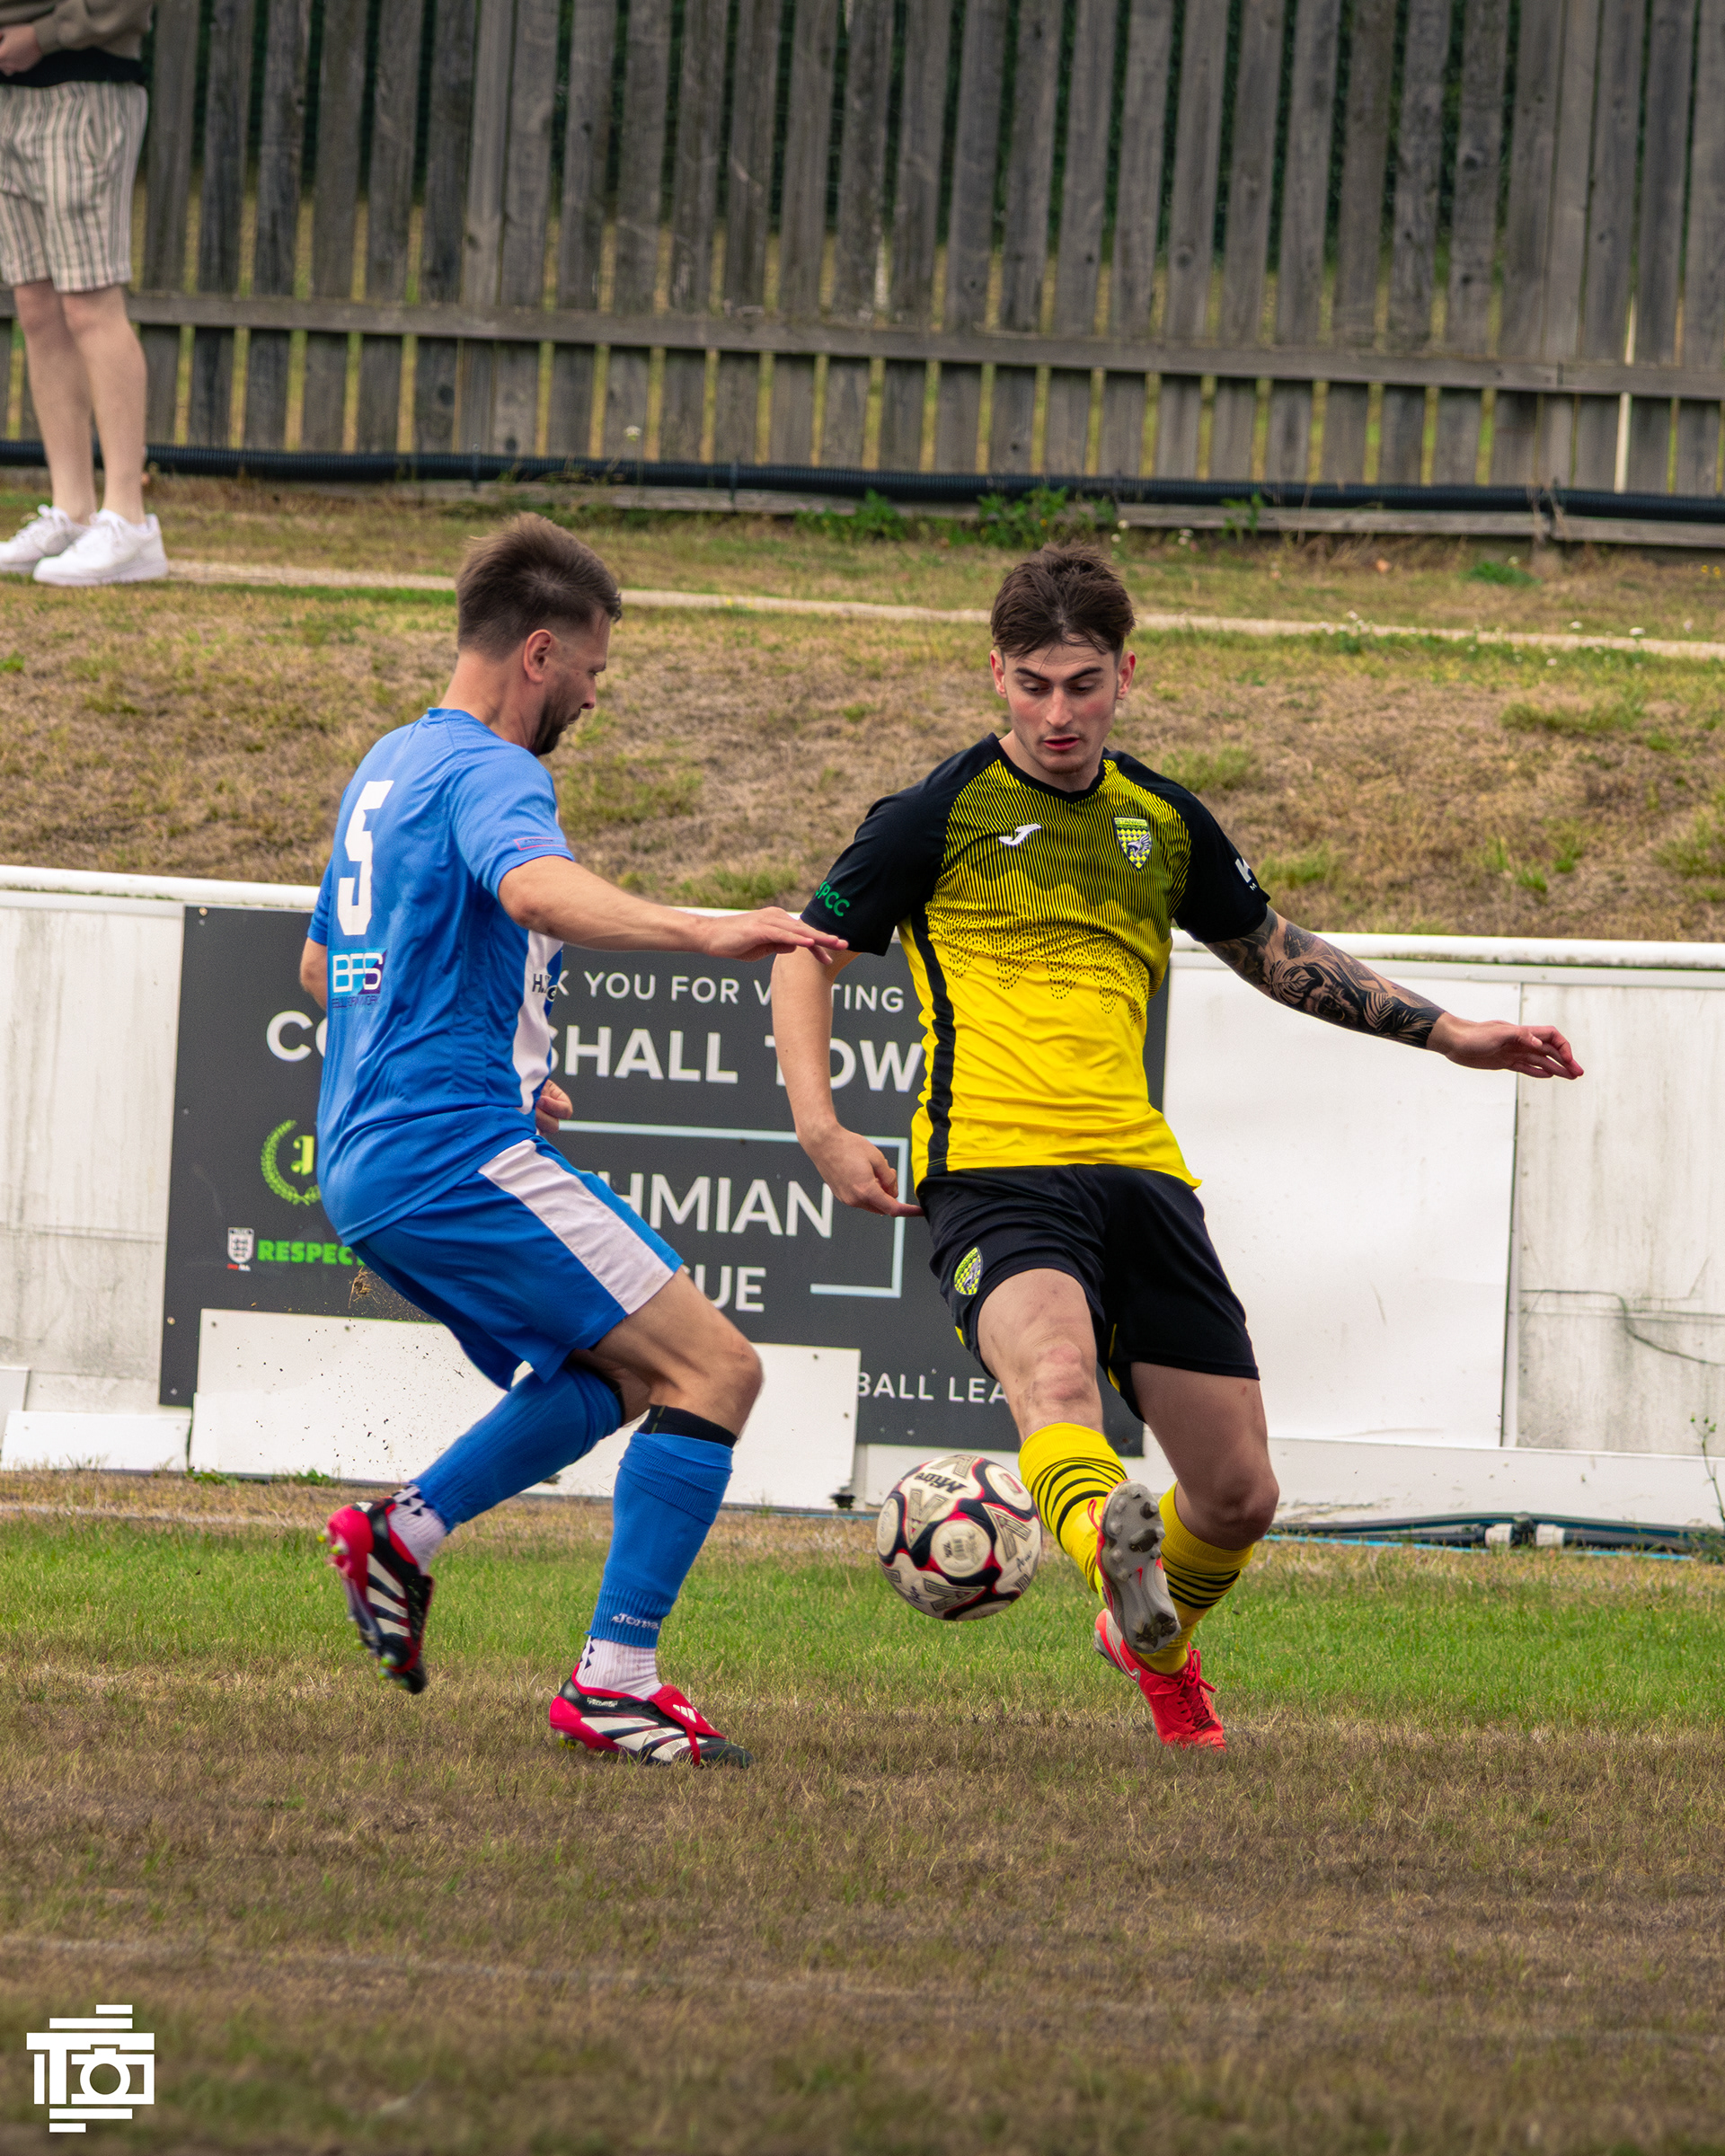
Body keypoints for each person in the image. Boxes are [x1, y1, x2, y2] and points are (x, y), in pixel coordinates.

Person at [772, 545, 1581, 1752]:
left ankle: (1143, 1629)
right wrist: (821, 1125)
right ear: (996, 676)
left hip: (1141, 1174)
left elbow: (1278, 954)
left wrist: (1453, 1033)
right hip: (991, 1164)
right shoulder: (932, 816)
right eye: (1034, 685)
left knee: (1241, 1494)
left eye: (1083, 685)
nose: (1058, 713)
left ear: (1126, 675)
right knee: (1052, 1379)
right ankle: (1108, 1544)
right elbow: (804, 953)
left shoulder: (1162, 820)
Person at [301, 515, 842, 1765]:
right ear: (538, 653)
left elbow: (326, 966)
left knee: (619, 1377)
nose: (594, 698)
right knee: (717, 1371)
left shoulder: (387, 765)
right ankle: (616, 1681)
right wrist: (708, 930)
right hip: (447, 1150)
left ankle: (405, 1535)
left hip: (370, 1161)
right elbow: (533, 888)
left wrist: (479, 1046)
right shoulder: (498, 770)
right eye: (592, 671)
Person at [0, 0, 165, 587]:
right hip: (10, 98)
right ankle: (72, 511)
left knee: (90, 305)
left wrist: (45, 34)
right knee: (37, 307)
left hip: (84, 91)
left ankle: (130, 521)